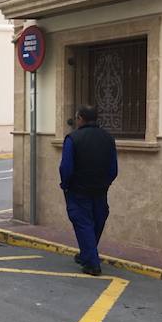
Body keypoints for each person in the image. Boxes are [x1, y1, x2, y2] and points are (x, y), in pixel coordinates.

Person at [59, 104, 118, 276]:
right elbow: (113, 169)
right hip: (100, 191)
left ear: (80, 118)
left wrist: (66, 185)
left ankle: (92, 264)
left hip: (79, 190)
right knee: (97, 222)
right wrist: (105, 183)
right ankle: (86, 254)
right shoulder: (108, 138)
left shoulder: (73, 139)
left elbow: (66, 168)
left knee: (84, 224)